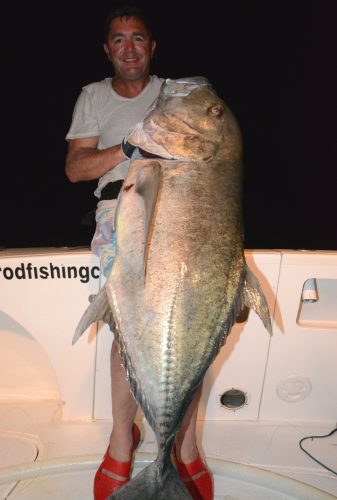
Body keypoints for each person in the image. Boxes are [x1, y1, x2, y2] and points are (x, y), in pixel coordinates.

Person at [65, 6, 213, 500]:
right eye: (119, 39)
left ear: (152, 47)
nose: (129, 47)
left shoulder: (177, 93)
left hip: (183, 215)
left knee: (193, 327)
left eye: (139, 38)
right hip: (121, 212)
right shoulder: (93, 97)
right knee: (127, 328)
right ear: (108, 50)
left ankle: (184, 446)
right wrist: (130, 149)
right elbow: (77, 168)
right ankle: (121, 441)